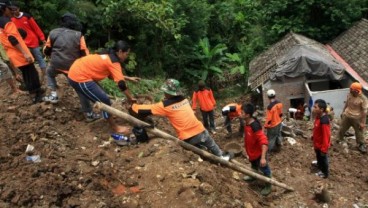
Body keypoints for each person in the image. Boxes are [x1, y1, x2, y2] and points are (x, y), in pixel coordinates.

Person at [130, 78, 230, 161]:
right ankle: (220, 155)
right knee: (212, 144)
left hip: (187, 138)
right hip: (201, 131)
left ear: (168, 93)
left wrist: (132, 105)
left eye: (165, 92)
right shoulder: (184, 100)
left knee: (194, 147)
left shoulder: (165, 105)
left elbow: (143, 110)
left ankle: (201, 150)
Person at [68, 40, 140, 133]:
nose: (127, 56)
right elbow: (121, 84)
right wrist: (130, 98)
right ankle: (115, 127)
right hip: (79, 77)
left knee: (102, 96)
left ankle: (107, 114)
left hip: (78, 69)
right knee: (104, 100)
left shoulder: (109, 55)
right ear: (120, 52)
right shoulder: (114, 62)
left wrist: (129, 78)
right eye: (126, 54)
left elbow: (111, 75)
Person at [42, 13, 99, 122]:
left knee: (49, 73)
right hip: (73, 67)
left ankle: (53, 95)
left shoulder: (53, 32)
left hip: (56, 64)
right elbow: (84, 53)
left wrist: (51, 55)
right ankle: (89, 114)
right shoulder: (79, 35)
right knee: (80, 90)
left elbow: (46, 50)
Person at [0, 0, 43, 103]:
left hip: (12, 54)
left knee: (27, 74)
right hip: (20, 54)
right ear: (4, 9)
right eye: (10, 9)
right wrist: (25, 53)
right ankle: (36, 96)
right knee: (32, 74)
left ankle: (35, 93)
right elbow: (12, 39)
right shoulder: (7, 22)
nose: (12, 11)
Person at [10, 2, 47, 81]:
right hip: (22, 43)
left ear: (19, 9)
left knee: (38, 57)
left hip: (33, 40)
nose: (13, 12)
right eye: (12, 10)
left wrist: (42, 38)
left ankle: (44, 74)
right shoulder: (11, 19)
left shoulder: (27, 16)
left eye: (15, 10)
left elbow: (36, 27)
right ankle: (34, 75)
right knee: (27, 59)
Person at [241, 103, 272, 196]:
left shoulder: (255, 126)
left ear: (247, 115)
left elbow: (264, 142)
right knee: (253, 165)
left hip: (259, 154)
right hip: (252, 152)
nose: (240, 114)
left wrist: (263, 158)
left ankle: (268, 185)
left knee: (264, 169)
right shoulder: (247, 122)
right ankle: (253, 176)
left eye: (242, 112)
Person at [338, 82, 368, 153]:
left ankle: (361, 144)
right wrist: (343, 112)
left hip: (357, 118)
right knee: (342, 128)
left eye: (351, 89)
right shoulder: (349, 95)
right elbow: (347, 104)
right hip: (347, 115)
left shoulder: (363, 99)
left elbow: (364, 112)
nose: (350, 90)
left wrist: (362, 122)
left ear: (356, 91)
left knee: (359, 132)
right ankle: (339, 139)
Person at [311, 99, 331, 178]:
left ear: (321, 109)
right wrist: (313, 136)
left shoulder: (324, 121)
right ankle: (319, 164)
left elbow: (326, 136)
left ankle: (324, 173)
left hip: (321, 146)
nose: (313, 108)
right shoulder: (318, 117)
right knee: (318, 156)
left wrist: (324, 149)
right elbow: (316, 129)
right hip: (317, 143)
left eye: (315, 107)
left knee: (323, 159)